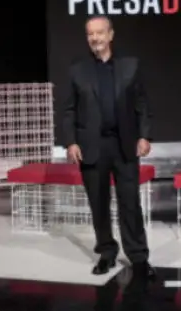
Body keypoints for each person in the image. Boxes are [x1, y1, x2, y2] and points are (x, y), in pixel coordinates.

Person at [60, 15, 154, 279]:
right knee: (98, 204)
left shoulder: (130, 65)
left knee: (130, 203)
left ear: (110, 35)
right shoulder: (78, 70)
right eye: (90, 34)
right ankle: (107, 253)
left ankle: (139, 257)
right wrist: (71, 141)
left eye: (99, 33)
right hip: (92, 146)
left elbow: (142, 104)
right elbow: (69, 110)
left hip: (124, 145)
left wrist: (144, 136)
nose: (95, 38)